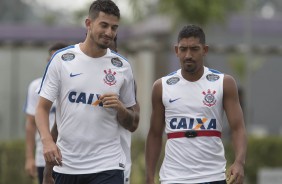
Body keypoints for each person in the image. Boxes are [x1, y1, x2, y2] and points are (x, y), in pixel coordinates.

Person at [35, 0, 139, 184]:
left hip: (108, 166)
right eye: (104, 25)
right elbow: (42, 109)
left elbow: (133, 124)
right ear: (89, 24)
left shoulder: (122, 67)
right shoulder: (62, 60)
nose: (109, 33)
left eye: (114, 28)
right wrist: (47, 142)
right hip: (67, 165)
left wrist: (121, 108)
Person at [145, 25, 247, 184]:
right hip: (173, 178)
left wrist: (239, 162)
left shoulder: (223, 83)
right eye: (183, 49)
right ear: (176, 50)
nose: (188, 55)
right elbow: (154, 134)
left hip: (213, 176)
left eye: (194, 49)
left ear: (205, 50)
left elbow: (238, 127)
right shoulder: (162, 86)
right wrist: (149, 176)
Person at [24, 42, 69, 184]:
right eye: (53, 59)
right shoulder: (36, 87)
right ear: (48, 61)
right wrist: (30, 158)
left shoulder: (77, 87)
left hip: (70, 158)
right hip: (44, 156)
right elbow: (30, 124)